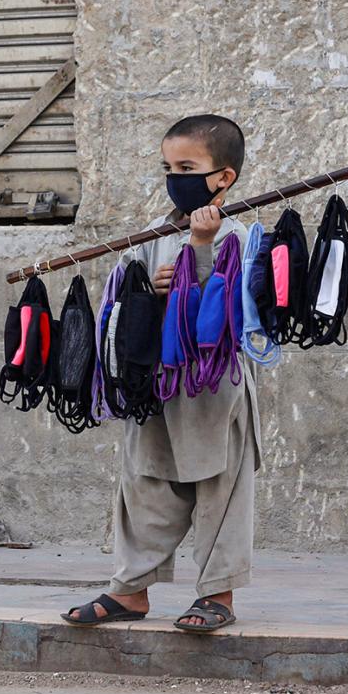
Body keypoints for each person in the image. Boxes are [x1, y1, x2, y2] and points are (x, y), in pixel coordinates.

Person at [61, 114, 260, 632]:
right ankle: (130, 592)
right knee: (143, 482)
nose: (175, 176)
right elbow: (125, 293)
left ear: (224, 177)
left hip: (214, 389)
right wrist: (150, 285)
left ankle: (218, 595)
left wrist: (198, 254)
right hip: (156, 383)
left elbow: (234, 311)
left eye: (188, 166)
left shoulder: (238, 233)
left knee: (220, 487)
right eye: (168, 167)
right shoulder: (155, 232)